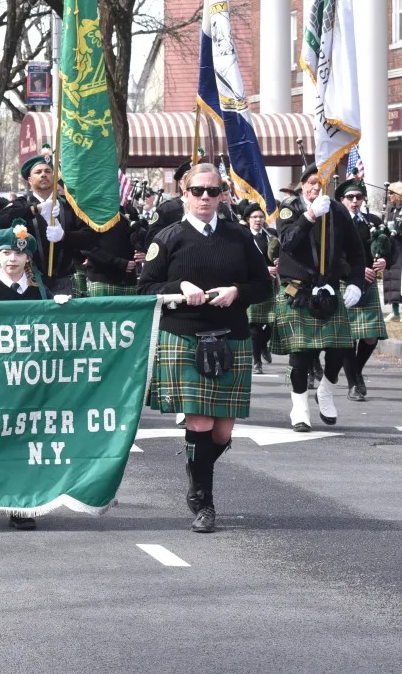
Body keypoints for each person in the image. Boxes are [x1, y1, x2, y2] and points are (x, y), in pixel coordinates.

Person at [137, 164, 272, 533]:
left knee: (222, 432)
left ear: (223, 195)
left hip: (232, 335)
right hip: (184, 336)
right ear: (184, 192)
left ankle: (197, 464)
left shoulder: (240, 237)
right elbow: (145, 289)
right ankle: (204, 500)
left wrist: (237, 291)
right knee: (199, 420)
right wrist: (179, 287)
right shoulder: (167, 237)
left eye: (213, 192)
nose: (205, 198)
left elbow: (265, 286)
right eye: (198, 191)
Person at [0, 219, 62, 532]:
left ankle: (21, 503)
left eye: (19, 254)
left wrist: (61, 310)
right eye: (6, 252)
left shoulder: (40, 294)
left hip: (29, 379)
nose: (12, 259)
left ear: (28, 258)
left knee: (26, 439)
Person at [271, 164, 367, 432]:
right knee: (300, 357)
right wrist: (311, 216)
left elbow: (357, 253)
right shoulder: (290, 208)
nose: (316, 188)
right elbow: (288, 242)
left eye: (321, 183)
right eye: (311, 182)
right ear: (302, 184)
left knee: (339, 350)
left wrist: (356, 284)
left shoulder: (337, 211)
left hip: (328, 291)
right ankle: (299, 408)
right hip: (298, 292)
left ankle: (326, 389)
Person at [0, 151, 98, 296]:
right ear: (30, 180)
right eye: (38, 172)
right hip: (28, 279)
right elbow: (0, 221)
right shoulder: (20, 205)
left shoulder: (70, 206)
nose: (43, 174)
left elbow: (91, 238)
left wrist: (64, 236)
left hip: (64, 280)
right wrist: (35, 209)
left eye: (48, 171)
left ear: (55, 177)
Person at [337, 179, 389, 401]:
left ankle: (357, 371)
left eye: (359, 197)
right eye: (350, 197)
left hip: (368, 285)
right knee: (348, 338)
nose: (355, 201)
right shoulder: (336, 224)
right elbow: (334, 256)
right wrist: (354, 272)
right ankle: (352, 385)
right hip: (345, 282)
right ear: (342, 200)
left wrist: (385, 260)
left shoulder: (373, 222)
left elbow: (391, 247)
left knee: (370, 337)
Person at [241, 202, 278, 374]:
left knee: (270, 324)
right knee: (254, 327)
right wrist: (264, 269)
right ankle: (256, 362)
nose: (258, 220)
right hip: (252, 284)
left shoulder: (271, 236)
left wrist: (279, 262)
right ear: (248, 219)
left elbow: (279, 255)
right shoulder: (243, 237)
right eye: (255, 217)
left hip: (270, 286)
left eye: (261, 217)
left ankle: (264, 345)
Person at [83, 204, 144, 297]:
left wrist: (144, 251)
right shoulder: (95, 209)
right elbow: (86, 246)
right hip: (103, 280)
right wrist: (118, 263)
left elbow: (139, 240)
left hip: (129, 281)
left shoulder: (129, 210)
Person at [382, 182, 402, 322]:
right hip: (390, 246)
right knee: (390, 278)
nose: (389, 196)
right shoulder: (390, 208)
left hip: (401, 246)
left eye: (391, 193)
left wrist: (400, 231)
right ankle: (394, 311)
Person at [145, 160, 193, 242]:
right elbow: (152, 239)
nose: (193, 183)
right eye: (188, 179)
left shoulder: (215, 207)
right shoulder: (167, 209)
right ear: (180, 183)